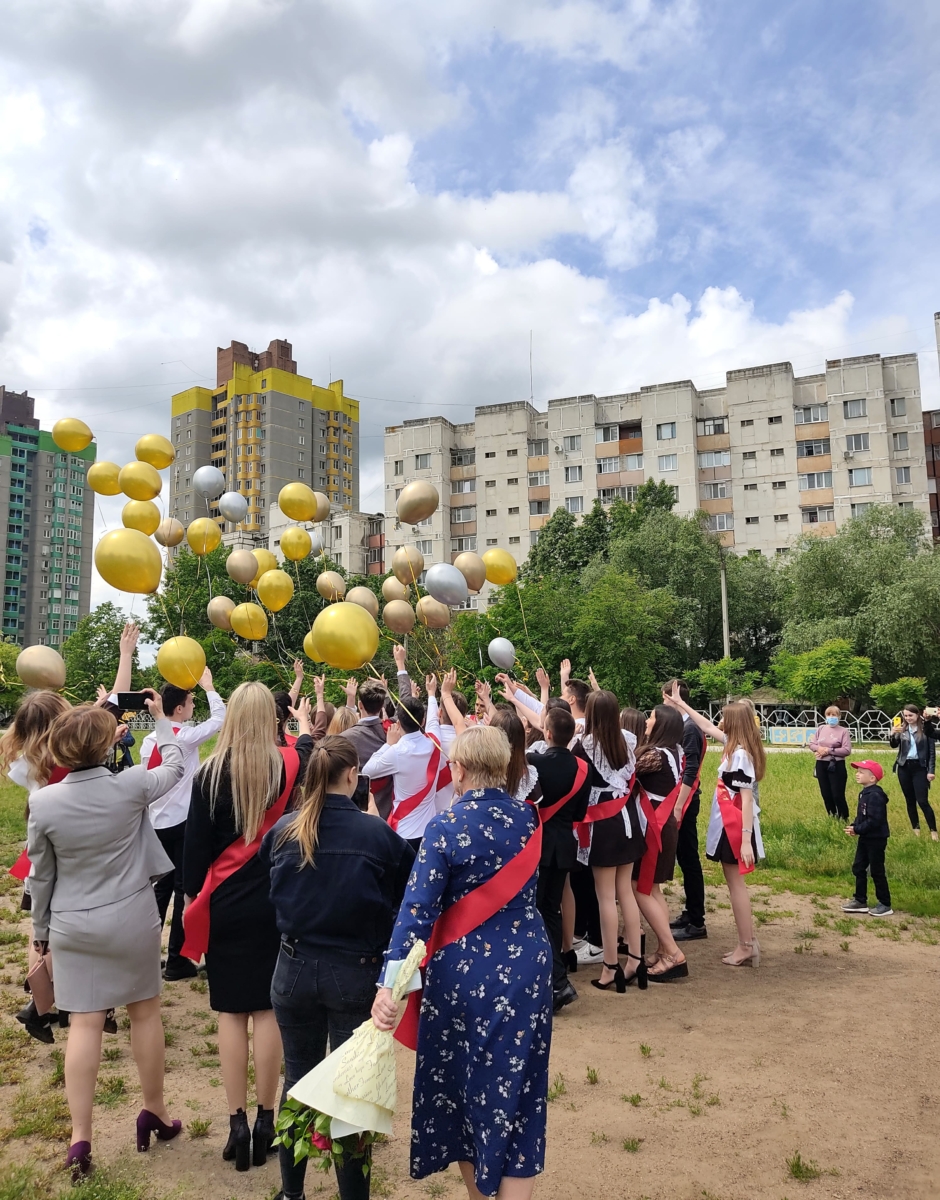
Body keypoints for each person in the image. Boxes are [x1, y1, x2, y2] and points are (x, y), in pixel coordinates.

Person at [372, 725, 552, 1200]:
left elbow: (416, 912)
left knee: (465, 1088)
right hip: (527, 964)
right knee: (520, 1090)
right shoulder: (529, 819)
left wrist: (390, 985)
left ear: (460, 770)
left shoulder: (445, 827)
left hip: (464, 972)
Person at [28, 696, 185, 1178]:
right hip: (132, 915)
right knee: (145, 1013)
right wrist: (161, 720)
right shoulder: (132, 784)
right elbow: (175, 766)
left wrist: (40, 933)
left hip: (72, 923)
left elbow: (41, 876)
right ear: (107, 744)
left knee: (84, 1024)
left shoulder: (44, 802)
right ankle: (154, 1110)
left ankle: (80, 1138)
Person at [260, 736, 415, 1200]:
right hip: (353, 973)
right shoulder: (376, 835)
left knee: (298, 1081)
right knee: (351, 1095)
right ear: (353, 776)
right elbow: (409, 894)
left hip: (292, 967)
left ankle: (291, 1192)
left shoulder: (284, 830)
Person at [183, 684, 314, 1172]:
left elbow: (194, 854)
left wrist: (192, 903)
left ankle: (236, 1124)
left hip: (225, 903)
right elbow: (308, 750)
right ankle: (266, 1120)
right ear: (271, 717)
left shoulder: (208, 774)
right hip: (276, 898)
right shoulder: (289, 765)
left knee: (231, 1012)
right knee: (268, 1010)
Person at [667, 690, 766, 967]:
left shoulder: (741, 755)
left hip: (735, 827)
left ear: (735, 723)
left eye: (725, 718)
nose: (720, 722)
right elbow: (706, 725)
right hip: (729, 823)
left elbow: (747, 799)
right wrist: (682, 704)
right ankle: (748, 941)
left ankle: (746, 945)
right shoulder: (735, 745)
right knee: (734, 885)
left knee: (736, 886)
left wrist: (745, 840)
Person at [139, 668, 225, 982]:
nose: (193, 706)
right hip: (181, 821)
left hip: (155, 821)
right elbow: (219, 719)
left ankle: (145, 957)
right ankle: (177, 960)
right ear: (178, 709)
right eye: (190, 702)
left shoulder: (149, 740)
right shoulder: (185, 737)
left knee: (158, 890)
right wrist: (209, 687)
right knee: (182, 888)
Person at [0, 690, 73, 1042]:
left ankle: (39, 1002)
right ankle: (42, 1006)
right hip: (63, 857)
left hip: (37, 858)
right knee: (57, 938)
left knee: (39, 934)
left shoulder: (25, 763)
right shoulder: (65, 760)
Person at [573, 690, 647, 993]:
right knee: (625, 891)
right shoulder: (627, 739)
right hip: (628, 818)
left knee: (605, 897)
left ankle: (610, 966)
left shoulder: (584, 745)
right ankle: (636, 960)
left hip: (603, 822)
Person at [527, 705, 590, 1012]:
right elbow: (580, 812)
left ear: (547, 733)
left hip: (538, 844)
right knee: (551, 910)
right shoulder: (583, 768)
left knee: (538, 911)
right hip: (565, 844)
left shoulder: (534, 761)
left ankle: (556, 980)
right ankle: (556, 977)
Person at [632, 705, 688, 982]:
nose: (647, 721)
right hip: (663, 826)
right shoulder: (674, 751)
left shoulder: (654, 755)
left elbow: (624, 770)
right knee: (653, 889)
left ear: (662, 724)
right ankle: (663, 949)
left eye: (652, 717)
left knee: (639, 888)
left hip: (653, 827)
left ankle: (673, 952)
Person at [361, 696, 441, 850]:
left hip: (405, 831)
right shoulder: (434, 743)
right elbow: (433, 721)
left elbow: (367, 771)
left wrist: (388, 744)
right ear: (422, 721)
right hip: (430, 830)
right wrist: (431, 694)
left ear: (398, 723)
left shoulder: (397, 751)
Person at [663, 681, 709, 943]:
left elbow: (690, 770)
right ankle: (691, 912)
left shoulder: (690, 728)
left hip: (686, 801)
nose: (663, 703)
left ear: (674, 698)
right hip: (682, 799)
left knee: (689, 859)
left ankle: (697, 920)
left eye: (665, 698)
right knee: (684, 857)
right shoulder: (685, 725)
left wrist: (679, 806)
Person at [842, 760, 893, 917]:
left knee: (877, 871)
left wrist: (858, 829)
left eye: (861, 772)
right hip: (865, 837)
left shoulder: (875, 795)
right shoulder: (864, 793)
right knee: (858, 867)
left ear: (872, 778)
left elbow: (874, 821)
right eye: (857, 771)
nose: (857, 774)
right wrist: (855, 826)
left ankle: (885, 903)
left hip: (876, 839)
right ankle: (860, 900)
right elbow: (862, 816)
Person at [342, 678, 394, 817]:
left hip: (359, 813)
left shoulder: (344, 738)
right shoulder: (393, 731)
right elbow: (405, 707)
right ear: (382, 705)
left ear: (360, 705)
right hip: (388, 812)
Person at [889, 704, 937, 839]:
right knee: (910, 800)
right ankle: (916, 830)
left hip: (920, 767)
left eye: (911, 715)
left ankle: (933, 831)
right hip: (904, 767)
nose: (908, 718)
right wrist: (892, 734)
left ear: (917, 715)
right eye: (905, 715)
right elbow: (893, 745)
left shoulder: (926, 729)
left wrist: (931, 771)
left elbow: (931, 753)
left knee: (922, 801)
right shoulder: (902, 729)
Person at [808, 705, 852, 821]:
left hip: (836, 765)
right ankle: (832, 816)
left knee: (837, 794)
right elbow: (812, 744)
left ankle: (843, 817)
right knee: (826, 793)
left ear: (839, 716)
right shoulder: (821, 729)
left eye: (834, 715)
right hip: (821, 764)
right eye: (828, 715)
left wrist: (828, 751)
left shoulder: (843, 731)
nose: (831, 717)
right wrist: (819, 749)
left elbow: (846, 750)